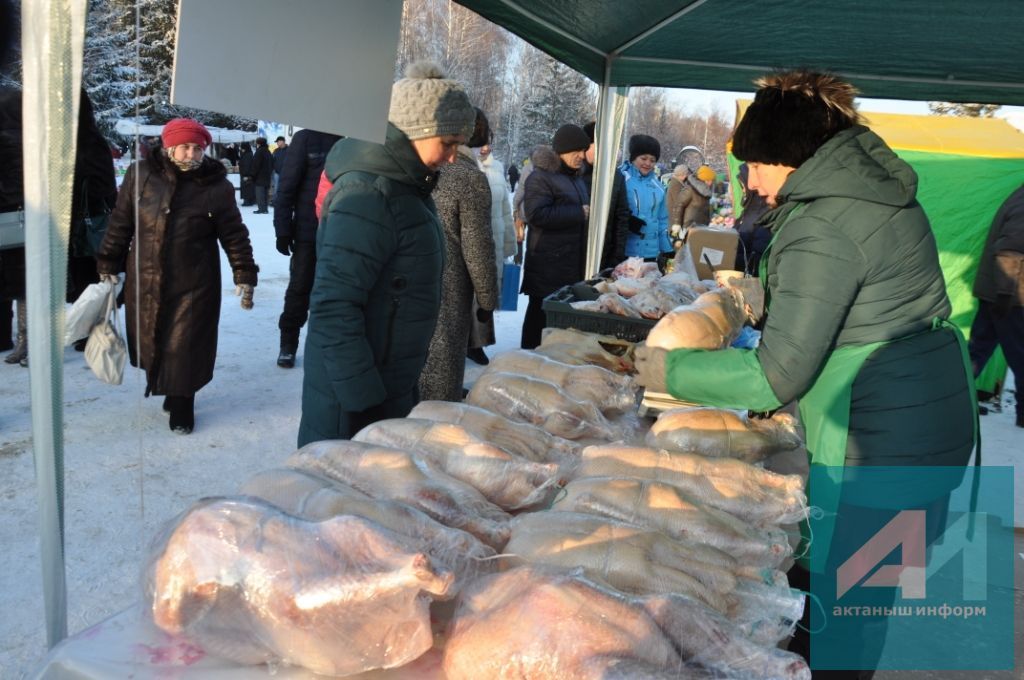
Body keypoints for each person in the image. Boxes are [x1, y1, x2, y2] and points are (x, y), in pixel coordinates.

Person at [634, 70, 975, 678]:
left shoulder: (825, 222)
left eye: (758, 163)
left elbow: (775, 376)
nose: (752, 180)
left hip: (881, 446)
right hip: (917, 425)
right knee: (861, 599)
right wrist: (772, 293)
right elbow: (861, 292)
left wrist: (670, 368)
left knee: (845, 610)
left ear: (791, 155)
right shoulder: (863, 192)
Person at [297, 61, 475, 446]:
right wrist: (365, 403)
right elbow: (333, 306)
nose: (452, 157)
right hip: (353, 404)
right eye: (448, 143)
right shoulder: (367, 194)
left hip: (386, 385)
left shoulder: (406, 187)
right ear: (415, 132)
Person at [96, 118, 259, 434]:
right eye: (185, 147)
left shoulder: (216, 187)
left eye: (198, 148)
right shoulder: (140, 175)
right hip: (145, 278)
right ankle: (168, 388)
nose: (191, 154)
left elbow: (234, 234)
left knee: (186, 346)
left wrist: (244, 272)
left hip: (194, 283)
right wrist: (108, 263)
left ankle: (183, 403)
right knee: (152, 342)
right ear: (169, 146)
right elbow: (120, 223)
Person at [418, 108, 498, 399]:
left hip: (412, 286)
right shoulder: (469, 178)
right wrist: (488, 298)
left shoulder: (420, 168)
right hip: (450, 290)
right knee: (440, 382)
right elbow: (478, 247)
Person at [272, 127, 341, 368]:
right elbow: (287, 186)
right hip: (308, 231)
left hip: (346, 230)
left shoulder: (356, 137)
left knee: (341, 292)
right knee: (300, 287)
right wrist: (282, 229)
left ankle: (332, 347)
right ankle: (288, 344)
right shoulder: (306, 138)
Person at [520, 123, 591, 350]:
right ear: (561, 150)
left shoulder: (576, 178)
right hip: (547, 265)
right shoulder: (541, 177)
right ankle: (527, 364)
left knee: (557, 329)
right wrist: (578, 213)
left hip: (568, 264)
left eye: (583, 150)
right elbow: (536, 214)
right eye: (576, 151)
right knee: (538, 321)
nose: (581, 156)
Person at [967, 183, 1024, 428]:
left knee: (977, 351)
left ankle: (951, 400)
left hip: (999, 293)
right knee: (1021, 356)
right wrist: (1004, 295)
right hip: (1010, 295)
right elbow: (1009, 250)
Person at [468, 126, 517, 365]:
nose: (485, 148)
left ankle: (478, 342)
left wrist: (510, 243)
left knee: (486, 294)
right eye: (481, 142)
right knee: (470, 294)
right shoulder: (466, 167)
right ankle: (469, 343)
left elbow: (505, 211)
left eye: (488, 142)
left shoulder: (497, 169)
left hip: (494, 239)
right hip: (473, 239)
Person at [581, 120, 631, 271]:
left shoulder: (616, 176)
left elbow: (621, 217)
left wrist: (616, 257)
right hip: (574, 256)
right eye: (597, 145)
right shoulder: (573, 174)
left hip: (604, 255)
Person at [618, 134, 672, 263]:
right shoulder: (620, 179)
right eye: (643, 158)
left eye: (652, 160)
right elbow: (609, 212)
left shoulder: (658, 187)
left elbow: (662, 220)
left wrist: (667, 248)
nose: (648, 163)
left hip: (650, 254)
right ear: (633, 157)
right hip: (626, 252)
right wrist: (627, 222)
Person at [733, 162, 771, 274]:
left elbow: (759, 260)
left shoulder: (763, 211)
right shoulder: (750, 208)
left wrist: (728, 259)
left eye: (743, 186)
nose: (745, 189)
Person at [248, 136, 273, 213]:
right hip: (267, 175)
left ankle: (261, 209)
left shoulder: (259, 152)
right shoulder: (268, 151)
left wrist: (252, 175)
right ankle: (265, 209)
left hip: (259, 176)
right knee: (265, 193)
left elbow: (256, 165)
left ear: (259, 143)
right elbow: (272, 163)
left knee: (260, 194)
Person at [238, 142, 255, 206]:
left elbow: (247, 165)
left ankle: (247, 201)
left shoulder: (247, 155)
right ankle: (249, 201)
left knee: (246, 188)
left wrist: (245, 175)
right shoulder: (248, 154)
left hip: (246, 174)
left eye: (242, 148)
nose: (241, 149)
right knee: (248, 188)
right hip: (246, 174)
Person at [270, 135, 288, 200]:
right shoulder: (276, 150)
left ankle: (283, 201)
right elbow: (272, 160)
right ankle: (275, 201)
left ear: (282, 141)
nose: (277, 143)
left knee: (285, 188)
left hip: (286, 173)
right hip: (277, 173)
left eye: (277, 142)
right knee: (276, 188)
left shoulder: (289, 150)